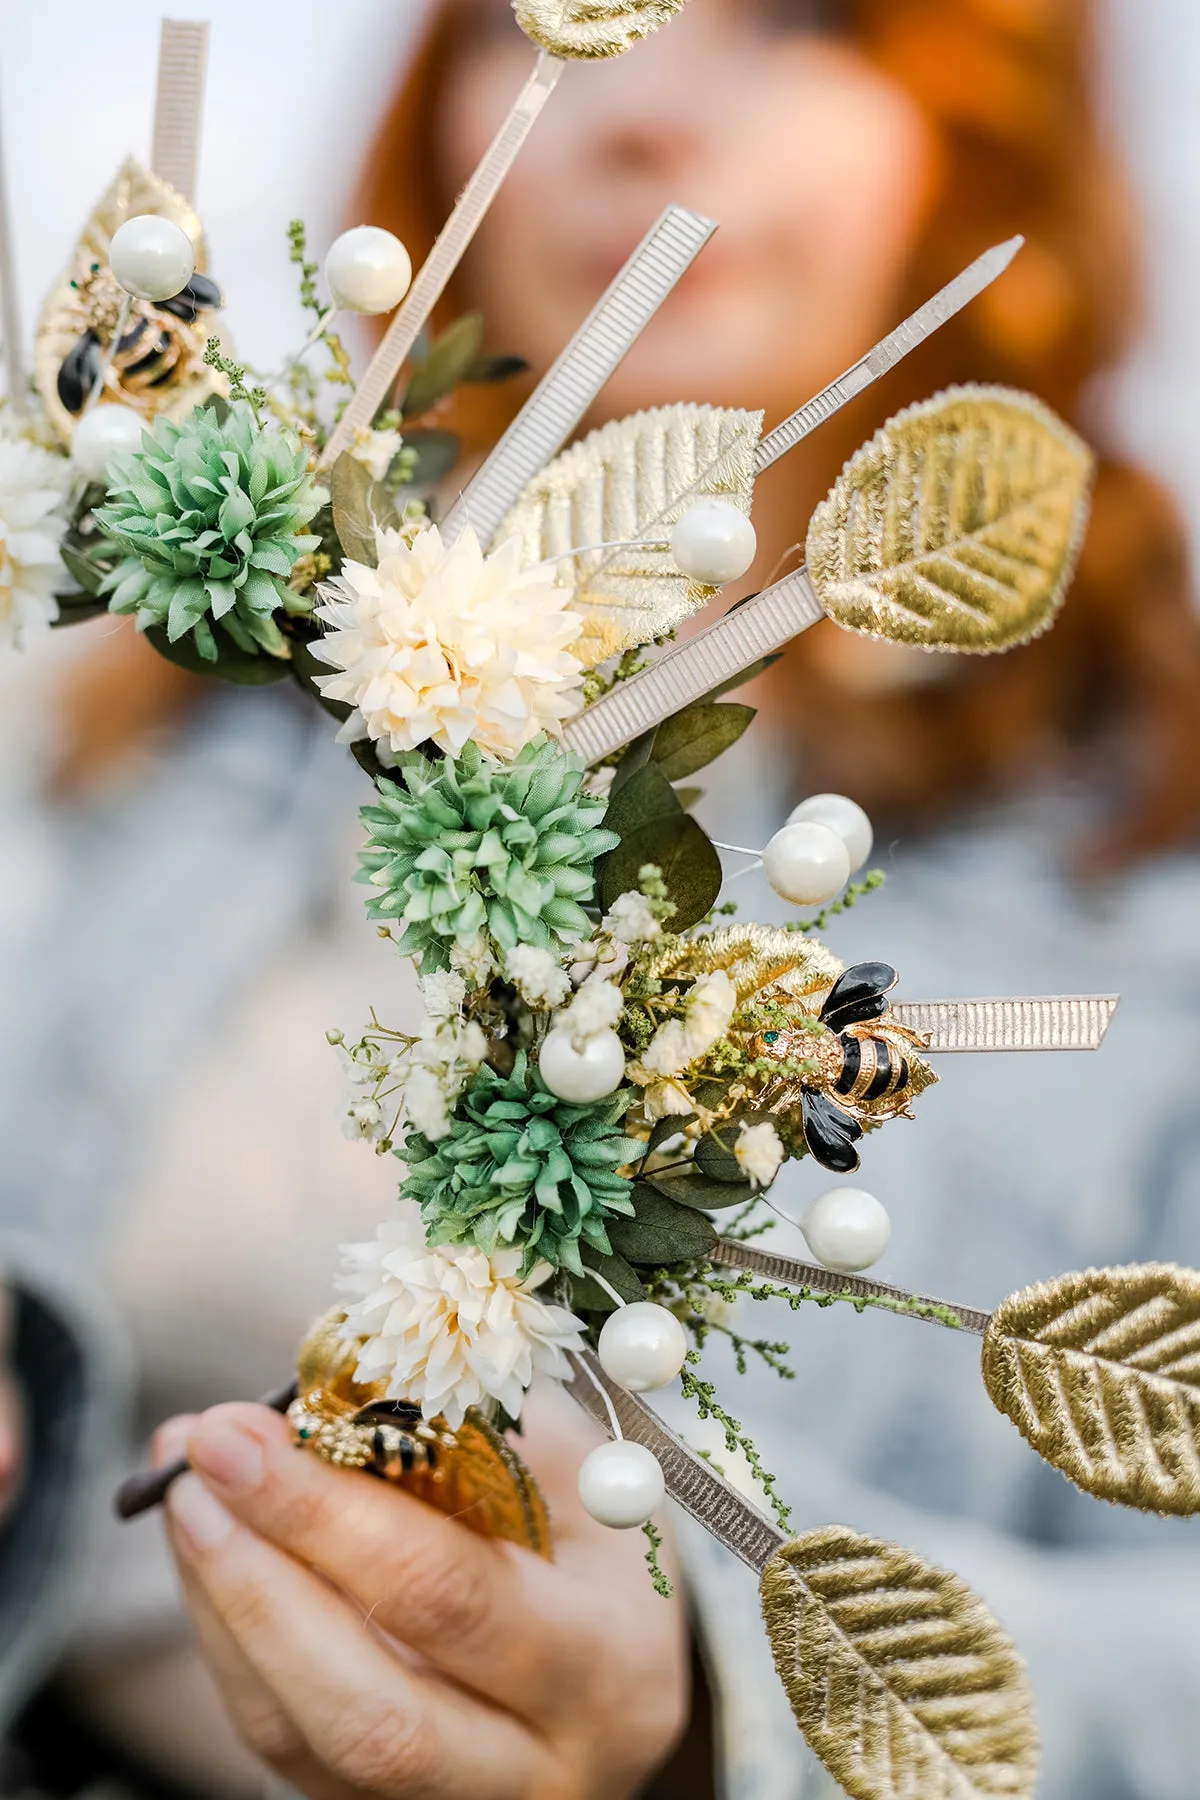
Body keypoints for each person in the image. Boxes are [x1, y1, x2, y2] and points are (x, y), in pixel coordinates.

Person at [13, 0, 1200, 1795]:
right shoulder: (192, 707)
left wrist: (734, 1699)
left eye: (796, 15)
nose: (638, 110)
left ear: (981, 112)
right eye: (539, 15)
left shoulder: (1147, 851)